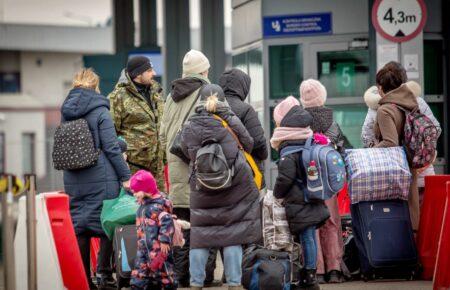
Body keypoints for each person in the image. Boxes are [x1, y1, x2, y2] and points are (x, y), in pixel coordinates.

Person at [179, 84, 261, 290]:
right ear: (222, 100)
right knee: (232, 233)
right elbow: (249, 144)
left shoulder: (191, 124)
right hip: (232, 184)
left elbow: (182, 149)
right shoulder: (230, 120)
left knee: (200, 235)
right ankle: (234, 282)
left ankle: (196, 282)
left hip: (202, 185)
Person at [61, 68, 131, 289]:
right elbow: (110, 147)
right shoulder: (100, 110)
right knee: (109, 221)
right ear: (95, 86)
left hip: (73, 176)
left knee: (80, 227)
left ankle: (85, 281)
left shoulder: (66, 111)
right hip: (101, 174)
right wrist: (125, 176)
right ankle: (103, 274)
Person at [159, 49, 212, 287]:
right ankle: (204, 277)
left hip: (176, 170)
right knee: (204, 227)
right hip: (198, 169)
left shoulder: (171, 97)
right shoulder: (206, 92)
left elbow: (162, 136)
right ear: (202, 71)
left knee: (180, 227)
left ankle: (179, 277)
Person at [271, 96, 330, 290]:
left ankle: (310, 279)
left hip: (300, 200)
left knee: (307, 238)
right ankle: (308, 275)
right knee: (309, 237)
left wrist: (276, 194)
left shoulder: (289, 149)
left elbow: (285, 178)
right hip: (312, 196)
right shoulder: (307, 141)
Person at [299, 79, 345, 283]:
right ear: (322, 97)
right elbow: (341, 151)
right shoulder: (331, 121)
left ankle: (316, 270)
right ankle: (334, 269)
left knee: (312, 223)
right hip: (329, 182)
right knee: (331, 222)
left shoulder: (299, 121)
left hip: (308, 181)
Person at [373, 61, 420, 231]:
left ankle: (397, 250)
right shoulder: (409, 104)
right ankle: (412, 248)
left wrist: (369, 152)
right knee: (411, 209)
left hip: (393, 169)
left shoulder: (385, 110)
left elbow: (390, 142)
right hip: (410, 164)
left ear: (380, 87)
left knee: (394, 214)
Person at [109, 56, 166, 190]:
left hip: (158, 169)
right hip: (134, 169)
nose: (154, 74)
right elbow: (110, 133)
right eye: (150, 70)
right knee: (137, 208)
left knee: (159, 207)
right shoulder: (118, 97)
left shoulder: (156, 93)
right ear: (138, 74)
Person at [218, 68, 268, 183]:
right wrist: (263, 155)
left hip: (218, 173)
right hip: (245, 174)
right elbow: (259, 141)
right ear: (243, 87)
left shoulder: (212, 108)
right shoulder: (245, 109)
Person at [129, 170, 176, 290]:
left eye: (136, 191)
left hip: (158, 250)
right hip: (143, 248)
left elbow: (167, 221)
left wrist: (165, 241)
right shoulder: (144, 204)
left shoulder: (157, 206)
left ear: (146, 190)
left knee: (163, 274)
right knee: (139, 275)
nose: (134, 194)